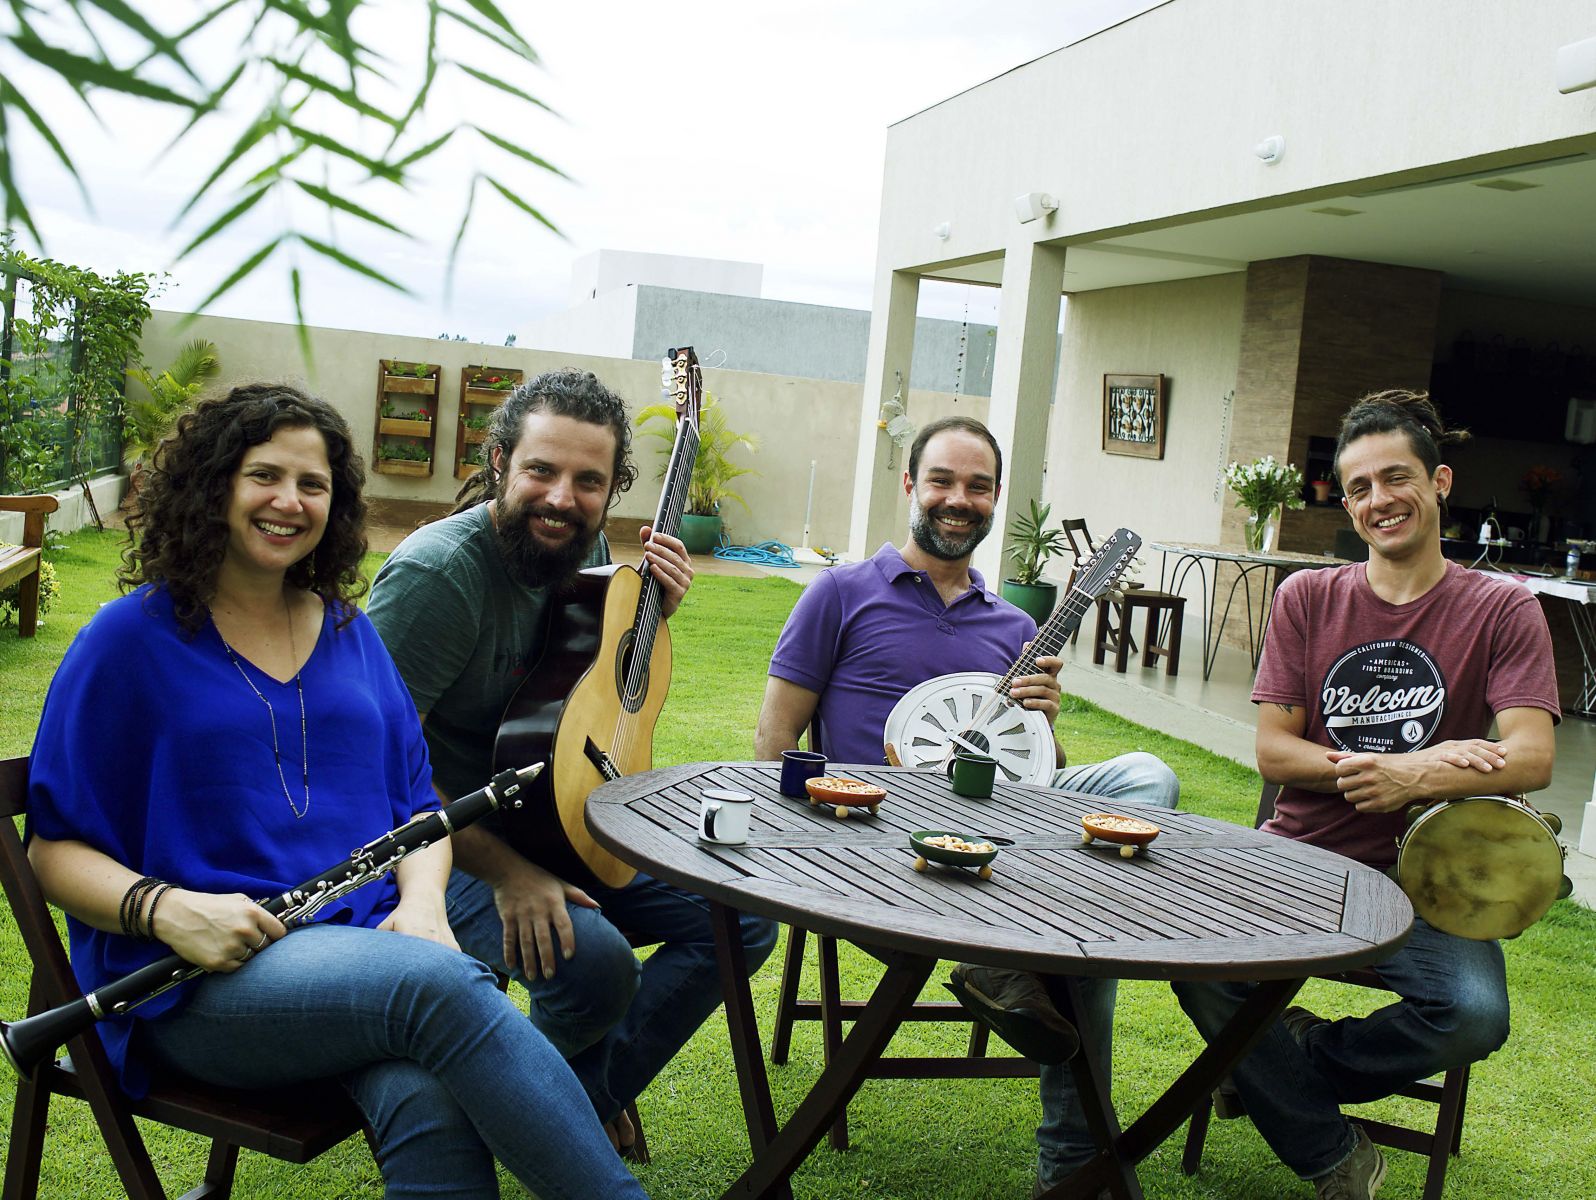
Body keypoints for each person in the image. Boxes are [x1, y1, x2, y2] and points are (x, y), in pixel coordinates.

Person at [26, 384, 646, 1199]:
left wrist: (424, 905)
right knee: (443, 987)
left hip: (359, 956)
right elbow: (52, 848)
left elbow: (419, 806)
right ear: (214, 485)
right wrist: (167, 910)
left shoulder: (348, 634)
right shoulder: (128, 640)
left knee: (431, 1093)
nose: (289, 502)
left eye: (312, 485)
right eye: (265, 477)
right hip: (198, 980)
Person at [753, 414, 1180, 1195]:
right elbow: (774, 741)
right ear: (911, 486)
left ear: (994, 500)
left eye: (977, 486)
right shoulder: (842, 593)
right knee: (1083, 945)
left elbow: (1039, 785)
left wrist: (1043, 725)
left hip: (1001, 841)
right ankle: (1072, 1153)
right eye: (942, 481)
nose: (959, 499)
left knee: (1148, 778)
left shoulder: (1016, 626)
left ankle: (1017, 958)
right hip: (878, 842)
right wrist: (826, 821)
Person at [367, 368, 778, 1153]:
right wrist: (508, 876)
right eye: (542, 471)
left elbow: (587, 677)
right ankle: (537, 1111)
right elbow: (377, 770)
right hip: (440, 844)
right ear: (498, 463)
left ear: (613, 488)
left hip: (558, 819)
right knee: (595, 966)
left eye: (588, 481)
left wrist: (654, 614)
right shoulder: (438, 577)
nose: (562, 498)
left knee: (743, 916)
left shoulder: (580, 546)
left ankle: (564, 1097)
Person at [1173, 390, 1558, 1200]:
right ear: (1346, 503)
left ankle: (1277, 1061)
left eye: (1397, 478)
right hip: (1301, 861)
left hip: (1428, 884)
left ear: (1441, 480)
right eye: (1359, 488)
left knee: (1474, 1014)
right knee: (1195, 962)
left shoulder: (1503, 608)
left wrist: (1419, 776)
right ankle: (1329, 1154)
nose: (1379, 501)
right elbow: (1273, 748)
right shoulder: (1308, 598)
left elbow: (1530, 755)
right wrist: (1369, 768)